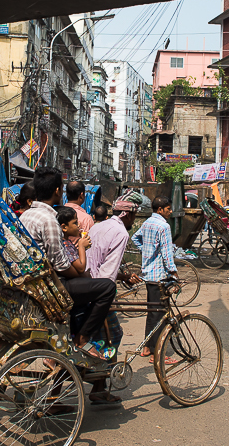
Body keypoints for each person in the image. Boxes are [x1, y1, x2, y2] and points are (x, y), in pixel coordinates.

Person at [19, 167, 110, 358]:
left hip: (33, 281)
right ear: (58, 191)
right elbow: (60, 264)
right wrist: (79, 271)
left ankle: (73, 335)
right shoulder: (49, 219)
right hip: (51, 284)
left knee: (86, 288)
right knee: (107, 287)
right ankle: (82, 339)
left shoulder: (25, 215)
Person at [83, 196, 141, 403]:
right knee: (113, 335)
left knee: (97, 337)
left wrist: (124, 276)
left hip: (85, 285)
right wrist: (106, 299)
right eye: (134, 215)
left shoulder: (99, 226)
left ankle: (99, 385)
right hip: (99, 293)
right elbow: (107, 273)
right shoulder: (121, 233)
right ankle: (97, 384)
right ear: (127, 214)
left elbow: (98, 261)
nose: (134, 220)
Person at [132, 196, 178, 360]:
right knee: (161, 314)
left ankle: (147, 347)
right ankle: (158, 352)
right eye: (168, 209)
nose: (170, 211)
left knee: (152, 313)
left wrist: (145, 251)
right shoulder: (163, 226)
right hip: (160, 276)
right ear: (160, 209)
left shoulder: (147, 223)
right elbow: (167, 254)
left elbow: (135, 238)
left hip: (149, 275)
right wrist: (173, 272)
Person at [57, 207, 88, 276]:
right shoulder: (65, 244)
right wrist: (81, 246)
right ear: (64, 227)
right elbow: (81, 268)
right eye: (75, 223)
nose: (78, 225)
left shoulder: (67, 241)